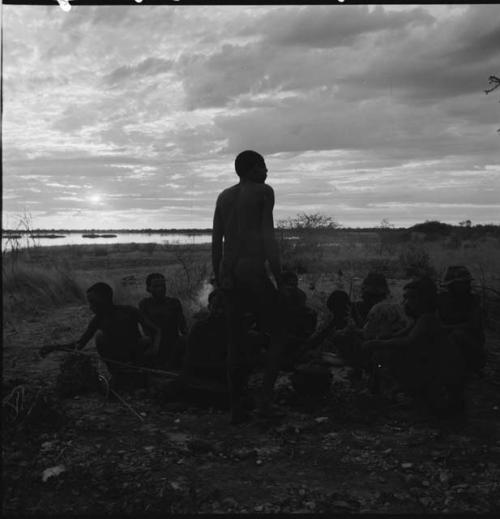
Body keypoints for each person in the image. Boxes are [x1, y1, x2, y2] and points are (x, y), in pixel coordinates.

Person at [212, 150, 286, 424]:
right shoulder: (263, 191)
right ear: (251, 169)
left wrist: (219, 278)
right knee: (278, 334)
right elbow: (268, 236)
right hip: (253, 270)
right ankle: (264, 401)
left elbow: (216, 240)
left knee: (235, 341)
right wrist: (278, 278)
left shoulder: (223, 196)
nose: (267, 171)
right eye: (263, 166)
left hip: (229, 273)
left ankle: (236, 407)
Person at [363, 277, 466, 416]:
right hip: (433, 370)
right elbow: (400, 334)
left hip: (443, 376)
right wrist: (383, 339)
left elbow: (408, 341)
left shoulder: (427, 319)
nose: (405, 302)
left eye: (411, 298)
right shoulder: (418, 319)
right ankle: (392, 389)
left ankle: (404, 392)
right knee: (386, 352)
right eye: (405, 298)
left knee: (392, 354)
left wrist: (378, 343)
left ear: (425, 300)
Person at [73, 282, 161, 389]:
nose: (90, 307)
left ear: (105, 299)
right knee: (100, 337)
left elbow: (156, 330)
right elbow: (81, 343)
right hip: (118, 360)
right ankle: (118, 373)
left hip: (137, 355)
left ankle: (138, 372)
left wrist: (155, 348)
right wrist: (56, 348)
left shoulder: (129, 311)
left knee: (146, 340)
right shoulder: (98, 320)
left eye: (93, 302)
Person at [437, 266, 486, 375]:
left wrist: (445, 328)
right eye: (462, 283)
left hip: (470, 346)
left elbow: (473, 325)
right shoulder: (441, 299)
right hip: (445, 342)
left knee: (457, 335)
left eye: (467, 282)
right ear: (451, 285)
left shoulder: (474, 300)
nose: (467, 285)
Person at [139, 273, 187, 369]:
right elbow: (146, 328)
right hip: (154, 345)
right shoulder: (145, 304)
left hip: (173, 344)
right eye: (156, 286)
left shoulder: (174, 303)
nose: (161, 289)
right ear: (148, 289)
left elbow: (183, 327)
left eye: (163, 285)